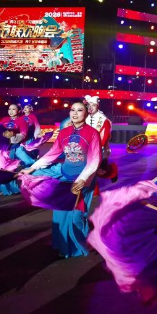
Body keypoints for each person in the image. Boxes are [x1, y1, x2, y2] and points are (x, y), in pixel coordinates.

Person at [19, 101, 102, 258]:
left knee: (77, 216)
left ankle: (82, 242)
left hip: (83, 179)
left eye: (79, 110)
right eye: (72, 110)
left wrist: (82, 179)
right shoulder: (64, 133)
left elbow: (95, 160)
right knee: (61, 213)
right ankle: (64, 247)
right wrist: (32, 167)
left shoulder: (92, 133)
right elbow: (52, 153)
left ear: (86, 114)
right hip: (65, 177)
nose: (75, 113)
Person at [85, 95, 118, 183]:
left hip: (100, 148)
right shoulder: (85, 117)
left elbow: (104, 136)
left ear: (97, 106)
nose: (91, 107)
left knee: (101, 169)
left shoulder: (103, 120)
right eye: (89, 105)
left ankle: (113, 173)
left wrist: (97, 147)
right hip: (87, 147)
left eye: (93, 105)